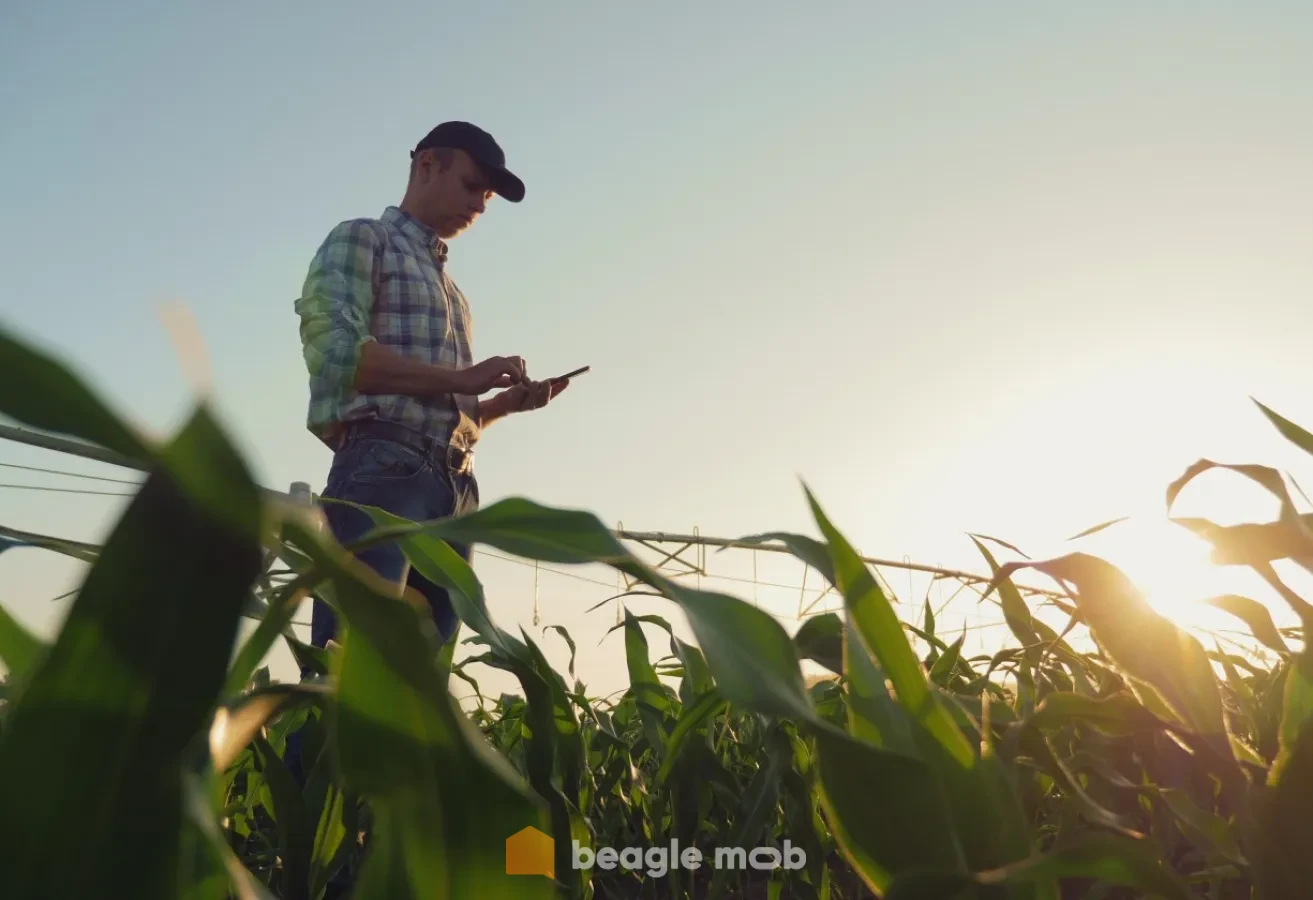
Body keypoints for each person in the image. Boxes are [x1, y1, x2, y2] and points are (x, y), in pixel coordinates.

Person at [293, 120, 571, 655]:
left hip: (455, 488)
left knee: (422, 698)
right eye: (473, 186)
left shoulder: (454, 293)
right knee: (348, 677)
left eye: (488, 196)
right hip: (383, 475)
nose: (482, 206)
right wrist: (461, 378)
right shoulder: (362, 239)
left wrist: (499, 407)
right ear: (427, 166)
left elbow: (439, 412)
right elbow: (334, 355)